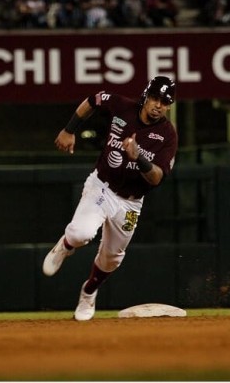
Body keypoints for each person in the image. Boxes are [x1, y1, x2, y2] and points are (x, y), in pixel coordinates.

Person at [42, 76, 178, 321]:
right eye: (155, 98)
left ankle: (88, 292)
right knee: (80, 234)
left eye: (165, 102)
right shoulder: (122, 105)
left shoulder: (167, 134)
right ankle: (65, 245)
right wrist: (69, 129)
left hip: (131, 202)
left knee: (112, 259)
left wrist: (139, 158)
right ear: (146, 96)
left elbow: (157, 178)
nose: (158, 105)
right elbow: (93, 100)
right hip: (102, 186)